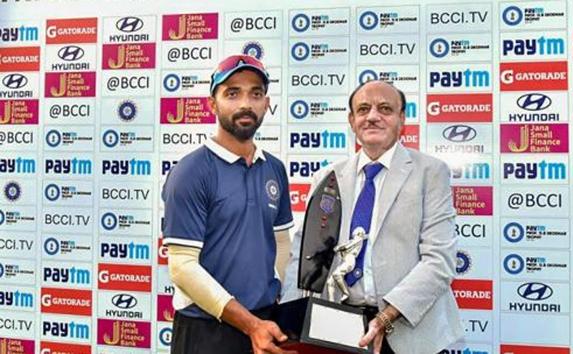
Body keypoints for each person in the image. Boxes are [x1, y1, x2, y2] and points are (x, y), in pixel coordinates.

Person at [282, 80, 464, 354]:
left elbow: (439, 261)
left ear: (402, 119)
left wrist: (386, 316)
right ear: (352, 120)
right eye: (363, 109)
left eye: (385, 109)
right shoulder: (327, 178)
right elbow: (303, 255)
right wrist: (288, 322)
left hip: (406, 332)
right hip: (337, 330)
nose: (373, 116)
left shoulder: (431, 173)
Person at [162, 54, 296, 354]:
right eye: (232, 93)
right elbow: (182, 267)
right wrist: (250, 324)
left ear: (267, 103)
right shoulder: (191, 171)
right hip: (207, 331)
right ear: (212, 103)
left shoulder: (274, 168)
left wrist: (272, 306)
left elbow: (281, 243)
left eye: (256, 93)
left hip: (265, 324)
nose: (245, 103)